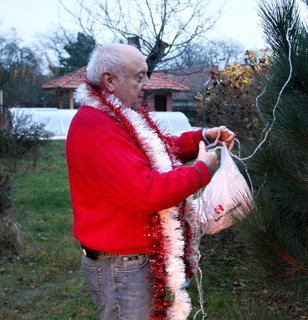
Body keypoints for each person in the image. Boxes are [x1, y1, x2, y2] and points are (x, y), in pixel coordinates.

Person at [66, 43, 235, 320]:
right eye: (138, 76)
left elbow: (153, 150)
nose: (146, 85)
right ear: (109, 80)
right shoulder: (98, 127)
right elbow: (148, 192)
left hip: (128, 261)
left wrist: (202, 137)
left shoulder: (113, 117)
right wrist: (203, 169)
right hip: (122, 266)